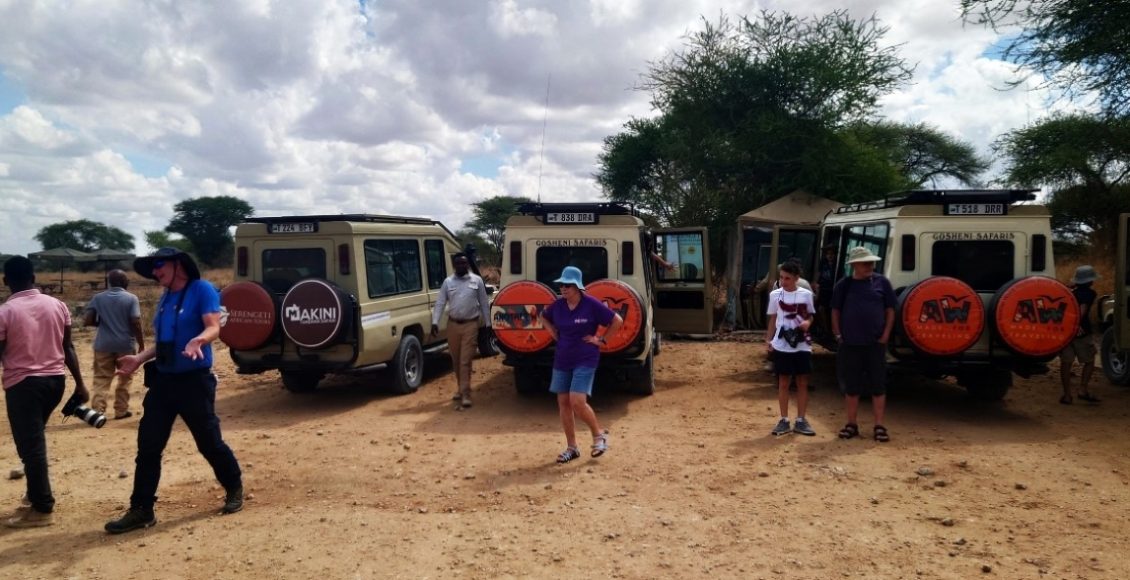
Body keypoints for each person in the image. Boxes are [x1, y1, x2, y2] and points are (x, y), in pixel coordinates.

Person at [104, 248, 244, 534]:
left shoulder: (202, 289)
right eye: (153, 268)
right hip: (164, 382)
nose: (155, 272)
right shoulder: (166, 297)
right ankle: (141, 509)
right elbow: (164, 344)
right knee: (149, 446)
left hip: (195, 382)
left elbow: (213, 327)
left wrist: (199, 341)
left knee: (209, 442)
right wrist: (139, 358)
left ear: (178, 265)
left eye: (159, 265)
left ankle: (234, 487)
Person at [0, 256, 89, 528]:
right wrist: (80, 383)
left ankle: (42, 508)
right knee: (33, 441)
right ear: (34, 278)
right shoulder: (57, 305)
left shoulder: (5, 312)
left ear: (5, 281)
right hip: (55, 383)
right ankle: (34, 494)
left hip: (23, 385)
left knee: (31, 447)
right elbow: (68, 346)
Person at [540, 266, 624, 463]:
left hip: (585, 358)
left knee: (577, 401)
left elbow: (617, 321)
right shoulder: (558, 306)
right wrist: (553, 332)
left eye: (568, 285)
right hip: (562, 359)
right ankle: (572, 448)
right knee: (563, 402)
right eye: (561, 285)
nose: (563, 288)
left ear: (577, 287)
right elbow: (543, 316)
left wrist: (601, 340)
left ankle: (598, 436)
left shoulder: (591, 304)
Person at [830, 246, 897, 443]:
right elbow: (835, 310)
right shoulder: (844, 285)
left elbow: (890, 310)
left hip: (875, 343)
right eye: (866, 263)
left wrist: (886, 334)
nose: (870, 266)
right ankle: (851, 424)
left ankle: (879, 425)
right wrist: (837, 334)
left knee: (878, 385)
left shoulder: (882, 283)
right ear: (855, 265)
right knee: (852, 386)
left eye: (871, 262)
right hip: (851, 343)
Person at [430, 252, 491, 409]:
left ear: (468, 264)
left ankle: (465, 394)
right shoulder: (448, 282)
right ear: (454, 265)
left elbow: (484, 303)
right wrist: (435, 322)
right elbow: (440, 303)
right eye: (458, 263)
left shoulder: (477, 281)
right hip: (453, 326)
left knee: (465, 360)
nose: (461, 266)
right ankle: (460, 388)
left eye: (464, 263)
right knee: (456, 360)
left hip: (471, 325)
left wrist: (488, 324)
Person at [84, 269, 145, 419]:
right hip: (125, 344)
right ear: (125, 282)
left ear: (109, 282)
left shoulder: (98, 298)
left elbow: (88, 320)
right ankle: (121, 410)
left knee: (101, 378)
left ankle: (98, 411)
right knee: (125, 378)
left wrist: (102, 323)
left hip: (103, 344)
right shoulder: (131, 298)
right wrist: (141, 344)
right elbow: (136, 322)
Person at [766, 261, 816, 436]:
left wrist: (807, 323)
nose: (783, 281)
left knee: (802, 382)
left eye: (787, 278)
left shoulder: (806, 295)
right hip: (782, 344)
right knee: (783, 382)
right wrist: (768, 340)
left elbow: (811, 316)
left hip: (802, 344)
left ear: (796, 278)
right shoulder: (775, 295)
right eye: (781, 277)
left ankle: (801, 420)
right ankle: (784, 419)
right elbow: (773, 318)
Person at [1060, 265, 1101, 405]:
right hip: (1081, 332)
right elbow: (1082, 310)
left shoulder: (1069, 293)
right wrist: (1076, 325)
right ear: (1089, 281)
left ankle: (1067, 395)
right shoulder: (1090, 294)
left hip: (1066, 332)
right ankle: (1082, 389)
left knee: (1066, 363)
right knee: (1089, 361)